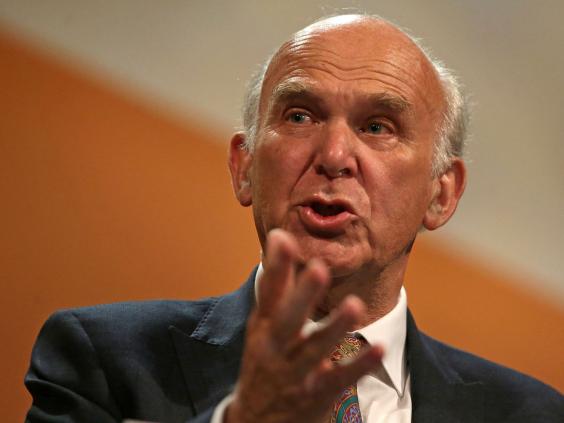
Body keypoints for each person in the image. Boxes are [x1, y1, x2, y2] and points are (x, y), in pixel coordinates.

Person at [25, 14, 563, 423]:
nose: (334, 155)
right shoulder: (102, 359)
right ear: (244, 168)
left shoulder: (532, 414)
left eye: (377, 126)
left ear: (441, 194)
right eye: (300, 116)